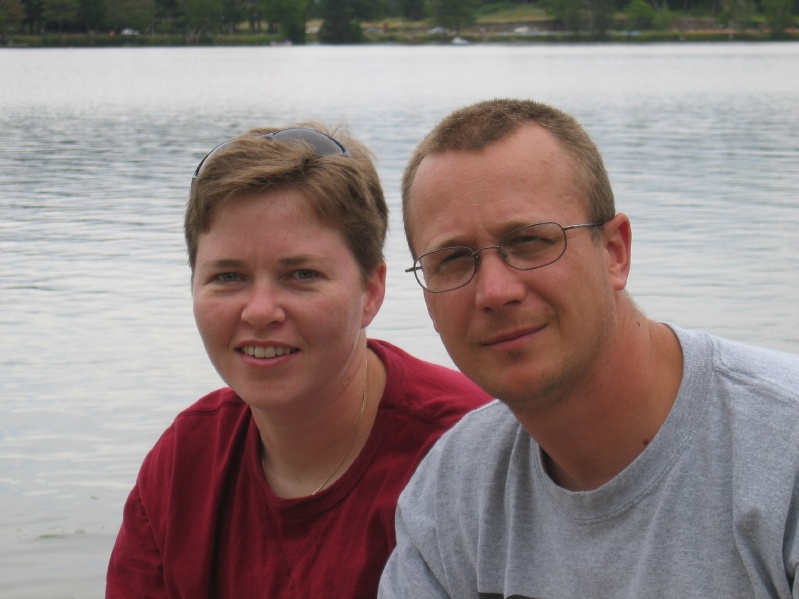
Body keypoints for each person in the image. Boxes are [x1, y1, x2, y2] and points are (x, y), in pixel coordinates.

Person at [378, 98, 799, 598]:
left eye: (530, 241)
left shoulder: (781, 456)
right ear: (427, 299)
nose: (494, 292)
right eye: (452, 260)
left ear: (615, 252)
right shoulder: (450, 493)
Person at [105, 124, 491, 598]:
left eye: (301, 275)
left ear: (371, 291)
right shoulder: (185, 462)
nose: (261, 311)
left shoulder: (467, 456)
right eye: (228, 277)